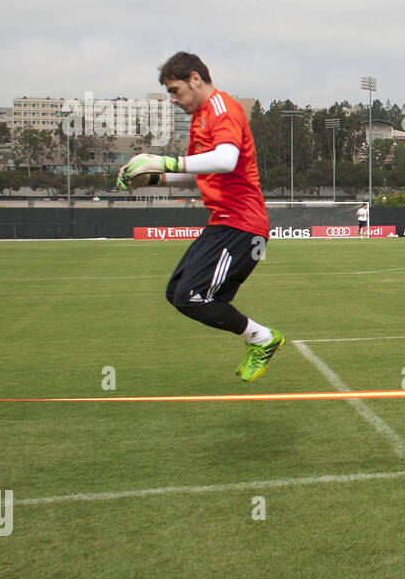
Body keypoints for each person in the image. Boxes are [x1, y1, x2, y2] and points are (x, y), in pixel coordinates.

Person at [115, 51, 284, 383]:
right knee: (177, 292)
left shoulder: (223, 108)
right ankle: (258, 337)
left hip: (242, 225)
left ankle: (263, 338)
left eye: (175, 91)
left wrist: (163, 162)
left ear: (195, 78)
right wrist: (151, 177)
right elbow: (195, 172)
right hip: (223, 223)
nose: (174, 100)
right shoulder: (200, 118)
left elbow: (226, 159)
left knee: (192, 296)